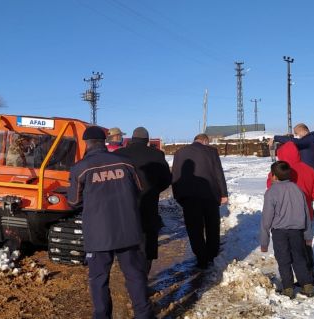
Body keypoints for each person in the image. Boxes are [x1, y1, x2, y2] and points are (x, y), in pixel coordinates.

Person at [68, 126, 154, 319]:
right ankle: (144, 314)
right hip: (128, 229)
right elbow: (139, 189)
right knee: (135, 275)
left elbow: (73, 201)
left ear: (87, 143)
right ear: (104, 141)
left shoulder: (80, 168)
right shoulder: (126, 163)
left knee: (99, 279)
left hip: (98, 233)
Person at [115, 126, 173, 272]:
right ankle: (143, 277)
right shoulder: (157, 155)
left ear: (132, 139)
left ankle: (130, 275)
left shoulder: (118, 154)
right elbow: (166, 179)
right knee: (146, 242)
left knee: (126, 241)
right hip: (149, 205)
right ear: (147, 140)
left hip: (123, 205)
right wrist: (154, 190)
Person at [267, 142, 314, 283]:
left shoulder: (279, 170)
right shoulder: (309, 169)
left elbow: (270, 188)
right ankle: (309, 278)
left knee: (287, 250)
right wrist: (308, 200)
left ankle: (288, 281)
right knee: (306, 247)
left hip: (284, 218)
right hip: (307, 215)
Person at [171, 133, 228, 268]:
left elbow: (175, 175)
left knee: (194, 229)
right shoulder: (211, 151)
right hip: (210, 196)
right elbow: (218, 173)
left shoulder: (179, 152)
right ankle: (212, 254)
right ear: (205, 141)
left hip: (189, 198)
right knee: (212, 226)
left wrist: (178, 196)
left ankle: (201, 258)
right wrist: (223, 193)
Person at [260, 161, 314, 299]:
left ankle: (288, 288)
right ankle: (307, 285)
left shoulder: (271, 192)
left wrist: (264, 241)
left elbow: (266, 218)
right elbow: (306, 213)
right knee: (299, 258)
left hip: (279, 232)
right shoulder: (297, 189)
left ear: (273, 176)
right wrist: (308, 235)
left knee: (283, 259)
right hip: (297, 231)